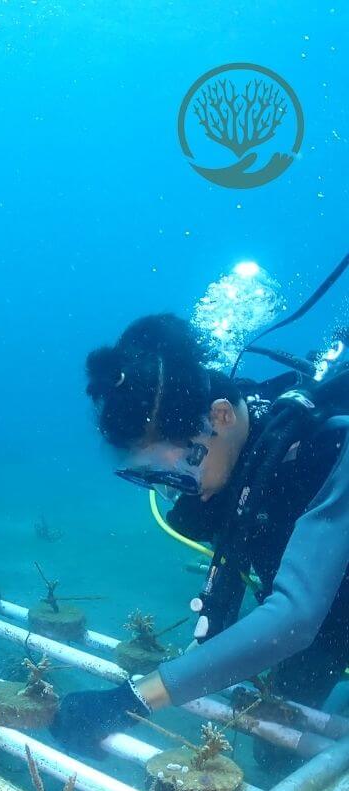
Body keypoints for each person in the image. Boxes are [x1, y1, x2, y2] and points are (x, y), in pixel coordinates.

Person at [53, 313, 349, 757]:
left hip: (313, 624)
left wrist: (133, 699)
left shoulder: (331, 446)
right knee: (274, 752)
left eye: (180, 471)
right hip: (331, 631)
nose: (180, 492)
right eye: (156, 477)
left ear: (221, 416)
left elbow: (295, 617)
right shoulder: (239, 461)